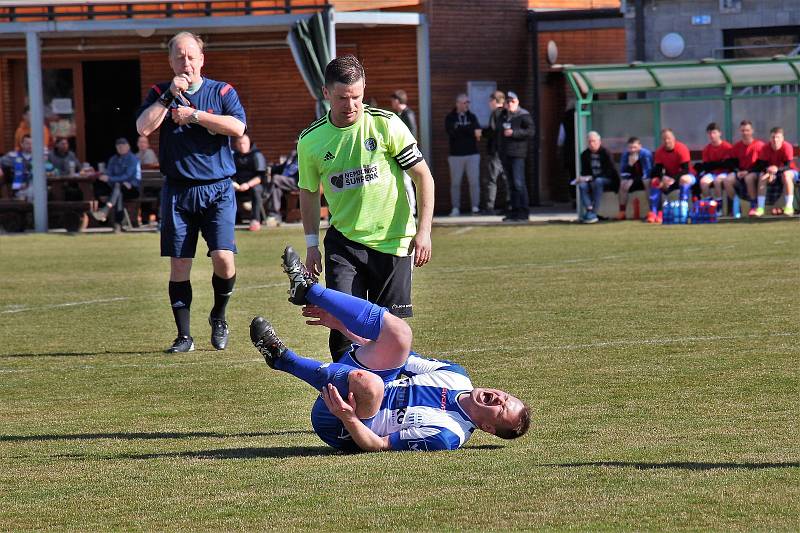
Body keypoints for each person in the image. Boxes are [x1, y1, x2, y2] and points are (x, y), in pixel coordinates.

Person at [249, 246, 531, 452]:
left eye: (500, 409)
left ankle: (284, 359)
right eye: (505, 397)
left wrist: (347, 416)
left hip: (343, 424)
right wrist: (340, 326)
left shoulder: (447, 435)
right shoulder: (456, 376)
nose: (499, 399)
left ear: (487, 428)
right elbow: (396, 355)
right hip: (360, 386)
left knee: (371, 384)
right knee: (400, 334)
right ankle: (307, 290)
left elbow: (379, 445)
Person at [297, 55, 434, 362]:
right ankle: (346, 394)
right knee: (343, 325)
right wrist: (310, 245)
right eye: (343, 98)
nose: (351, 105)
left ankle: (384, 400)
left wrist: (423, 232)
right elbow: (307, 193)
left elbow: (423, 176)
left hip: (394, 241)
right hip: (344, 243)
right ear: (326, 93)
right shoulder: (310, 140)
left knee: (389, 332)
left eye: (357, 97)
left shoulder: (386, 125)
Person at [135, 31, 246, 353]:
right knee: (180, 264)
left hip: (218, 189)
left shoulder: (222, 90)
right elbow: (143, 127)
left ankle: (219, 315)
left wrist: (195, 116)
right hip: (178, 191)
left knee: (224, 259)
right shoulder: (159, 91)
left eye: (191, 55)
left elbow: (238, 127)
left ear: (202, 58)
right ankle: (184, 336)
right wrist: (169, 96)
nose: (186, 61)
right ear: (171, 61)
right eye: (180, 56)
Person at [497, 91, 534, 222]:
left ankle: (523, 212)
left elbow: (531, 131)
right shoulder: (503, 116)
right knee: (511, 184)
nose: (510, 104)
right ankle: (514, 211)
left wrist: (514, 133)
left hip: (518, 154)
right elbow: (498, 134)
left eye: (512, 101)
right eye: (508, 101)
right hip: (505, 154)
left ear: (517, 102)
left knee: (519, 183)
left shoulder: (523, 115)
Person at [90, 138, 141, 232]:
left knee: (118, 188)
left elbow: (128, 176)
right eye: (119, 146)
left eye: (123, 146)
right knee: (118, 191)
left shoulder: (133, 159)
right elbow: (109, 174)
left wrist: (111, 179)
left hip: (132, 189)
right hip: (117, 189)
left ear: (128, 146)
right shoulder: (113, 159)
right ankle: (118, 223)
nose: (121, 148)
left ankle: (106, 210)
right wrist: (112, 179)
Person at [647, 129, 695, 224]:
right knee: (655, 181)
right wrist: (662, 178)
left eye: (668, 138)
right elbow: (657, 170)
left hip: (687, 177)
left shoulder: (682, 148)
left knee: (684, 179)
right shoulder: (659, 151)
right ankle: (654, 212)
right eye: (664, 139)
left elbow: (686, 170)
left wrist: (673, 179)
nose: (666, 141)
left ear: (673, 138)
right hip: (670, 179)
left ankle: (683, 210)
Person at [445, 93, 482, 216]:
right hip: (456, 155)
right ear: (458, 104)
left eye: (468, 102)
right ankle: (455, 208)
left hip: (472, 154)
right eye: (465, 102)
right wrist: (468, 130)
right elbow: (452, 133)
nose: (467, 105)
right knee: (455, 183)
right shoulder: (450, 117)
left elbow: (477, 133)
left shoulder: (472, 117)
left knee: (474, 182)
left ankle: (475, 207)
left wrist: (460, 129)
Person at [752, 127, 796, 217]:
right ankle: (760, 208)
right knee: (762, 176)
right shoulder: (765, 148)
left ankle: (789, 207)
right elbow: (761, 165)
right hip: (773, 174)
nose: (775, 140)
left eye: (778, 137)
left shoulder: (787, 147)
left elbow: (788, 166)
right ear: (770, 138)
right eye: (773, 137)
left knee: (786, 175)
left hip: (790, 172)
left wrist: (776, 169)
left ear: (782, 138)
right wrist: (768, 171)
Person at [577, 131, 618, 223]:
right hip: (592, 180)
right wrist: (582, 178)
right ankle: (589, 209)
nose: (592, 144)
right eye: (590, 142)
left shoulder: (606, 153)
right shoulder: (584, 154)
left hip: (607, 179)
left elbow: (610, 171)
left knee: (598, 181)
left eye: (594, 141)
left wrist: (592, 178)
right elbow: (585, 171)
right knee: (582, 185)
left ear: (599, 142)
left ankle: (594, 213)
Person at [727, 120, 764, 218]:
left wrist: (748, 171)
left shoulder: (760, 145)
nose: (745, 133)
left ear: (752, 131)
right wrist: (737, 171)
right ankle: (737, 205)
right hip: (740, 173)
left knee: (749, 177)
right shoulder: (736, 147)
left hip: (755, 172)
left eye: (747, 130)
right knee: (728, 180)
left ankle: (753, 206)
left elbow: (762, 164)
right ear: (740, 131)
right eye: (743, 130)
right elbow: (731, 163)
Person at [390, 89, 418, 216]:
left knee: (407, 182)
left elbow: (412, 133)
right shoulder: (397, 114)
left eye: (393, 100)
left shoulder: (408, 114)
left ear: (398, 100)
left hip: (405, 153)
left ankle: (412, 209)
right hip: (397, 153)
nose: (391, 103)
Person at [231, 133, 268, 232]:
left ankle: (255, 220)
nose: (242, 146)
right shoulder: (234, 156)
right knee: (226, 189)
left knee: (256, 190)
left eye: (244, 143)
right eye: (239, 144)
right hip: (238, 187)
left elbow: (260, 177)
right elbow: (230, 174)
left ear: (248, 143)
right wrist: (233, 183)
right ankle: (232, 219)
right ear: (236, 145)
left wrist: (247, 185)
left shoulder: (257, 155)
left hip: (255, 186)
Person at [696, 123, 734, 209]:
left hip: (725, 173)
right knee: (703, 182)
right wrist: (719, 163)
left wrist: (714, 164)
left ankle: (719, 207)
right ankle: (711, 206)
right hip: (712, 173)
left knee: (717, 181)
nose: (712, 135)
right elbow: (706, 166)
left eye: (714, 133)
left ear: (719, 133)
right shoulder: (707, 149)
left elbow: (726, 165)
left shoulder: (727, 147)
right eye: (709, 133)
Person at [483, 90, 509, 215]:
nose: (489, 103)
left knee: (491, 180)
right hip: (506, 151)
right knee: (506, 179)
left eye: (490, 101)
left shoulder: (495, 113)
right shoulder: (507, 113)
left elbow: (492, 131)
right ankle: (508, 205)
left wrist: (482, 133)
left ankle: (489, 207)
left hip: (495, 151)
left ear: (494, 101)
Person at [617, 136, 653, 220]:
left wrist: (638, 179)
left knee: (647, 182)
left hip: (644, 178)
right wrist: (630, 164)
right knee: (623, 184)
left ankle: (652, 211)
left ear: (640, 146)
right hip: (633, 179)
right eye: (630, 148)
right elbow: (623, 171)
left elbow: (648, 171)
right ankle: (622, 211)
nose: (633, 150)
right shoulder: (626, 155)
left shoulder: (645, 154)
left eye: (635, 147)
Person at [265, 147, 299, 226]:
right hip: (284, 181)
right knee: (276, 188)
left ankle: (263, 197)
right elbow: (282, 167)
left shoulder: (305, 156)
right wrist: (270, 168)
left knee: (275, 178)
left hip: (296, 182)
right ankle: (275, 215)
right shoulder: (293, 155)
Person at [0, 134, 33, 200]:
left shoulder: (40, 157)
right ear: (22, 144)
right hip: (19, 190)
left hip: (36, 188)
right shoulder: (13, 156)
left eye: (32, 143)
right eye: (27, 143)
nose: (30, 146)